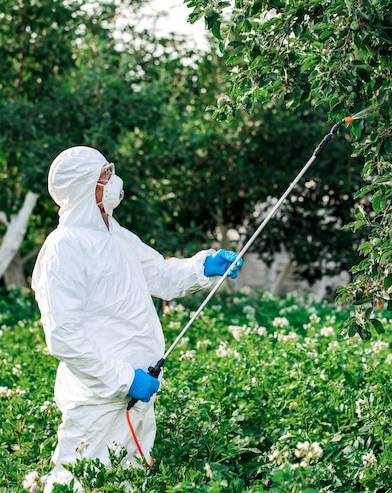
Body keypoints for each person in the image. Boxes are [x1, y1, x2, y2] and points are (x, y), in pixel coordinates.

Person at [31, 146, 243, 491]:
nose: (112, 180)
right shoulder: (63, 248)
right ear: (87, 185)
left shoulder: (116, 235)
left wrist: (202, 266)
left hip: (137, 397)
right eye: (104, 175)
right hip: (98, 400)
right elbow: (64, 336)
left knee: (127, 483)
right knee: (78, 483)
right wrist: (122, 379)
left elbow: (160, 275)